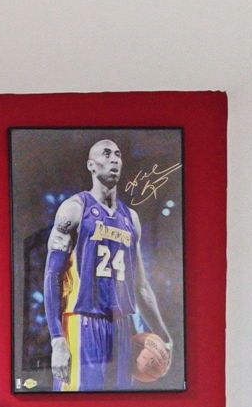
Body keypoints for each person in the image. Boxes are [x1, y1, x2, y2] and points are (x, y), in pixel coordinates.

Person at [44, 138, 172, 390]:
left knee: (119, 404)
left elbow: (141, 287)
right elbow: (51, 276)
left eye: (118, 155)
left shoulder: (131, 219)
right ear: (91, 165)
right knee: (77, 403)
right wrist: (57, 339)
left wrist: (164, 335)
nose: (114, 159)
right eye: (106, 154)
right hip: (82, 321)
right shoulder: (74, 209)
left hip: (122, 325)